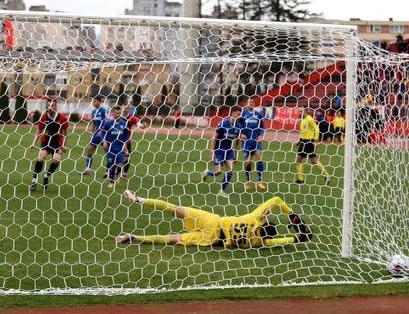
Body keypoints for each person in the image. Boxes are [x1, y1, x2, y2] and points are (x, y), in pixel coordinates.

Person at [115, 190, 313, 248]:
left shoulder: (255, 218)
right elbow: (280, 241)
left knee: (174, 209)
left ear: (263, 222)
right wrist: (299, 238)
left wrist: (295, 219)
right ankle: (133, 237)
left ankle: (138, 199)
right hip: (213, 240)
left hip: (212, 221)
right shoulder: (259, 242)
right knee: (173, 238)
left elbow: (276, 199)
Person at [202, 107, 242, 198]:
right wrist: (212, 152)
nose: (239, 116)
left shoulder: (238, 126)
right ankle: (207, 172)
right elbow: (214, 137)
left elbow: (237, 142)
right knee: (218, 172)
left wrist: (236, 155)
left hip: (228, 150)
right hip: (218, 150)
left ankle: (221, 191)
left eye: (240, 115)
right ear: (232, 113)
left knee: (230, 171)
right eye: (238, 114)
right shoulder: (223, 123)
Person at [29, 99, 69, 192]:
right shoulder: (43, 117)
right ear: (47, 107)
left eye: (53, 105)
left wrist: (63, 145)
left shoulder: (62, 118)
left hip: (57, 143)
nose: (51, 107)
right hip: (46, 142)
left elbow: (65, 133)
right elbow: (38, 132)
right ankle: (34, 180)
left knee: (57, 161)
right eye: (49, 105)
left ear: (56, 107)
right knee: (41, 158)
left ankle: (46, 175)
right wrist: (33, 143)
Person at [295, 108, 331, 185]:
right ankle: (301, 179)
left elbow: (316, 128)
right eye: (298, 111)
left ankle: (327, 175)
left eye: (300, 111)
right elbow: (304, 132)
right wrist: (299, 141)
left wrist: (315, 140)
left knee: (310, 161)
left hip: (309, 142)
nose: (299, 113)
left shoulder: (309, 119)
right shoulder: (303, 120)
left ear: (304, 112)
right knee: (302, 161)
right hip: (304, 142)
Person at [240, 99, 267, 191]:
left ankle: (260, 182)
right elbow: (238, 124)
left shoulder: (258, 114)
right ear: (246, 104)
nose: (250, 104)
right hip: (246, 141)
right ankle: (248, 181)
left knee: (259, 159)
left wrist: (261, 135)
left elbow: (262, 126)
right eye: (248, 102)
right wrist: (241, 133)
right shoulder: (243, 114)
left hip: (256, 140)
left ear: (254, 104)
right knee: (248, 162)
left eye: (252, 102)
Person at [102, 105, 130, 188]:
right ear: (113, 113)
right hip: (111, 147)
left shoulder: (123, 123)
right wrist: (104, 141)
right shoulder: (108, 123)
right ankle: (111, 182)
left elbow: (126, 135)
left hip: (120, 147)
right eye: (116, 113)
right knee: (111, 164)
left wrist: (125, 145)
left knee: (120, 164)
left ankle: (117, 175)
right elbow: (103, 132)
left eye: (119, 113)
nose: (118, 114)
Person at [80, 96, 108, 176]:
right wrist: (91, 133)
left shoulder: (104, 111)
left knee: (107, 150)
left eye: (95, 101)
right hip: (96, 134)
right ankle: (87, 169)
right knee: (89, 149)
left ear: (100, 102)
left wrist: (102, 130)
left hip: (103, 134)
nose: (94, 103)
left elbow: (106, 122)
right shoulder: (94, 111)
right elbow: (93, 123)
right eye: (93, 101)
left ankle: (108, 171)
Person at [121, 104, 144, 179]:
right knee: (116, 157)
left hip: (127, 140)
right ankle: (112, 171)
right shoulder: (118, 116)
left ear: (129, 109)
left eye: (127, 108)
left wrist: (143, 125)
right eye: (124, 108)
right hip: (116, 140)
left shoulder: (132, 118)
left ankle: (124, 173)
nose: (125, 109)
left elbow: (139, 125)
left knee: (127, 157)